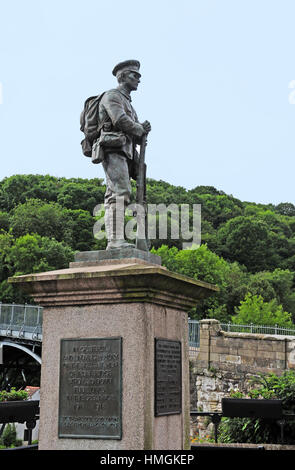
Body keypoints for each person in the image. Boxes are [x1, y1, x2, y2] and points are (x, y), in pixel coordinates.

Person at [98, 60, 151, 250]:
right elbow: (120, 120)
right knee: (119, 193)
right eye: (134, 75)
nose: (138, 79)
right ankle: (114, 241)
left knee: (120, 192)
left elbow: (133, 129)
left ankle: (116, 239)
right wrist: (139, 128)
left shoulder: (128, 102)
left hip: (126, 152)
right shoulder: (112, 96)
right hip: (114, 149)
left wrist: (141, 131)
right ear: (122, 76)